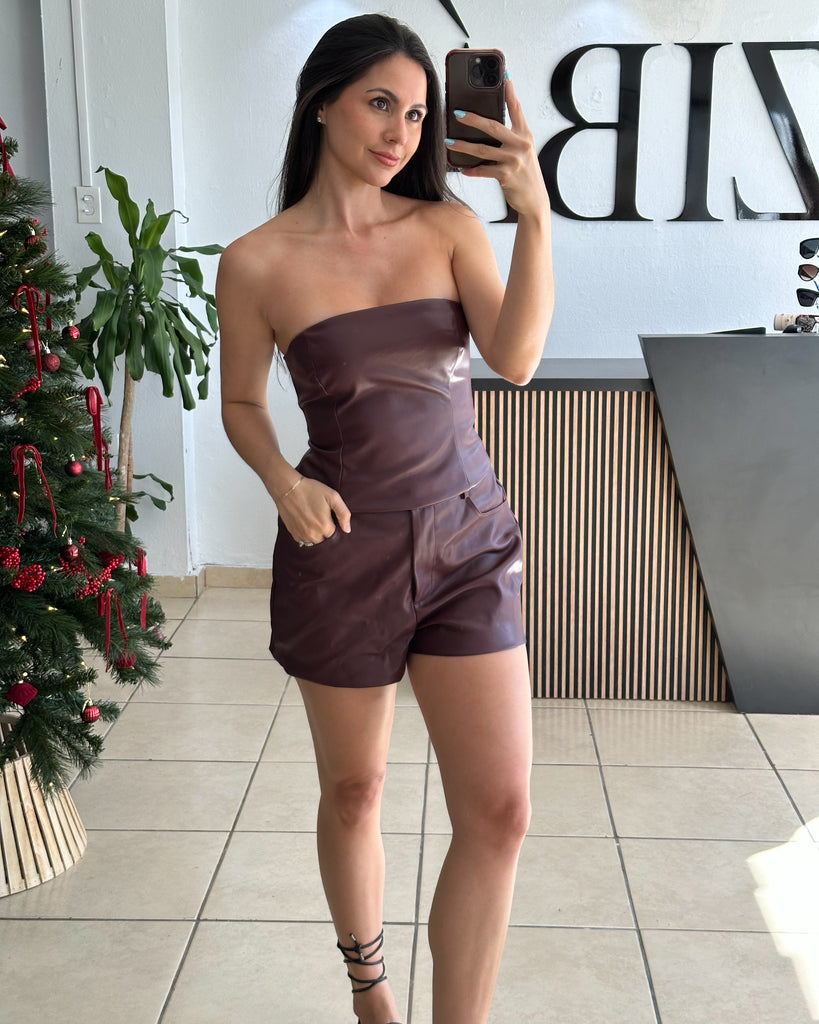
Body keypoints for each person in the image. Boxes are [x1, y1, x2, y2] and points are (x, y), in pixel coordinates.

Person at [216, 13, 553, 1024]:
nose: (401, 132)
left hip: (467, 542)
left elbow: (516, 358)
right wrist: (281, 479)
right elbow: (242, 402)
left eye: (415, 113)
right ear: (322, 103)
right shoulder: (257, 261)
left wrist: (533, 215)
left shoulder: (447, 229)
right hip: (342, 552)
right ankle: (371, 994)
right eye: (379, 104)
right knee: (355, 790)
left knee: (500, 811)